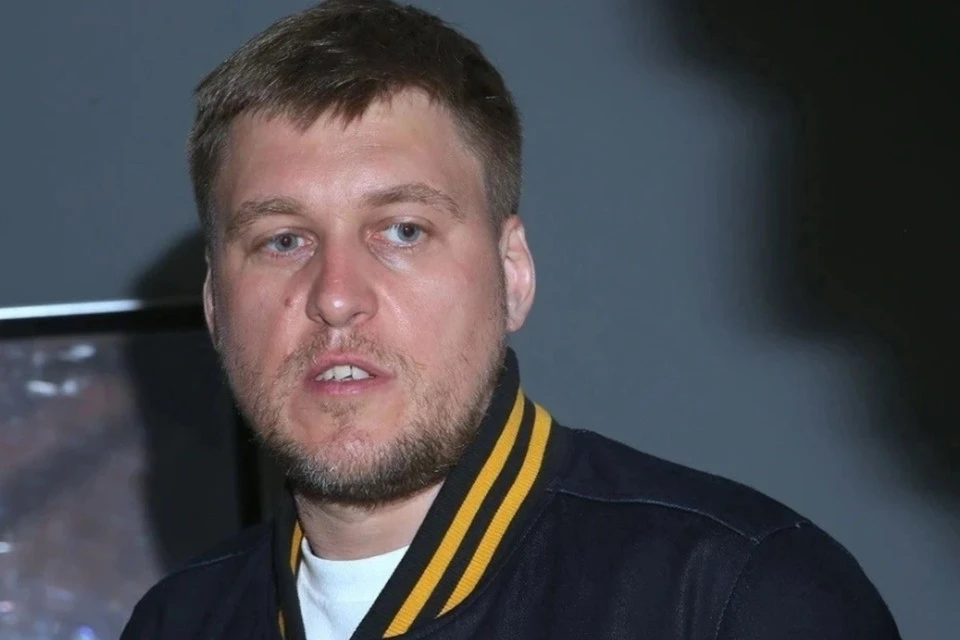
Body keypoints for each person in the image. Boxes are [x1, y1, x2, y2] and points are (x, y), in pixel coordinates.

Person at [122, 1, 902, 638]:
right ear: (216, 307)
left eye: (403, 231)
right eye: (282, 240)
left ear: (514, 275)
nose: (336, 296)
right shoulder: (175, 622)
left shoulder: (736, 597)